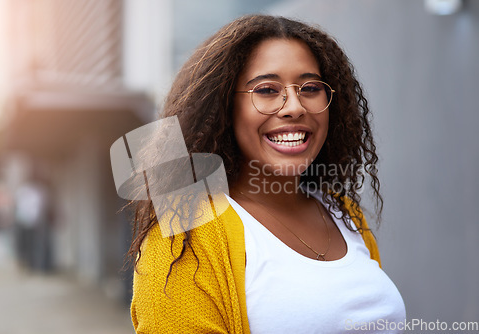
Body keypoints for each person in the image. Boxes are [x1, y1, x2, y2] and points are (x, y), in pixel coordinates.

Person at [127, 15, 406, 333]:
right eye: (267, 90)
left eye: (310, 88)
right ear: (224, 108)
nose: (294, 107)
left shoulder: (346, 215)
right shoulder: (186, 233)